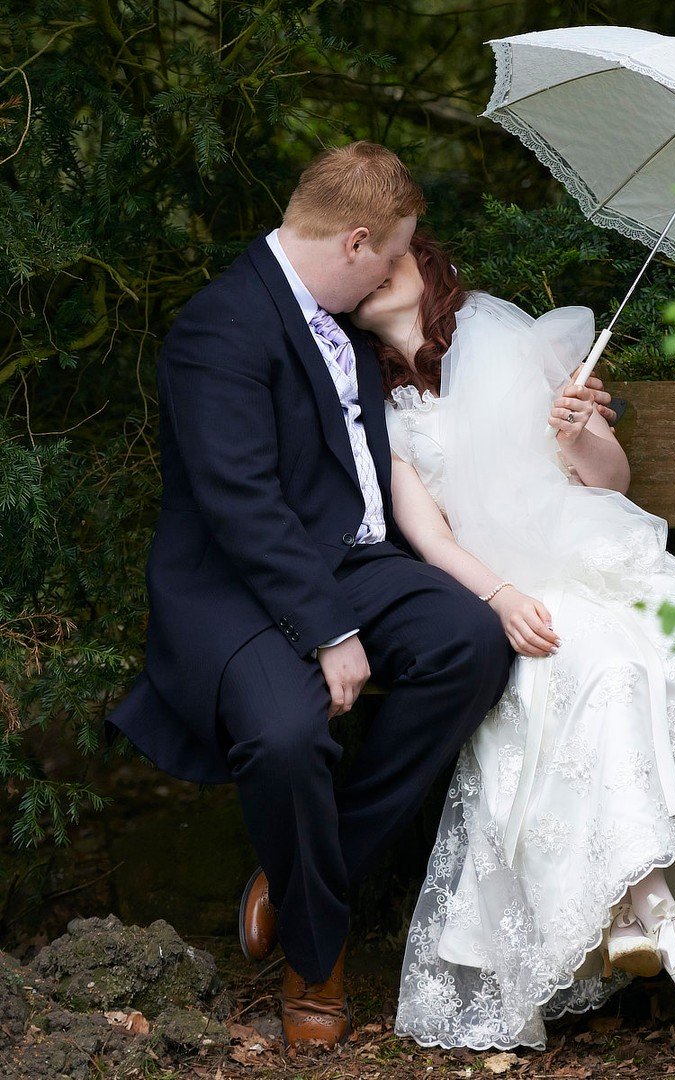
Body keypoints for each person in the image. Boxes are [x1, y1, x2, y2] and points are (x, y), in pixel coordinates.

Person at [103, 145, 514, 1049]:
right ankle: (316, 961)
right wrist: (331, 630)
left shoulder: (340, 321)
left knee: (470, 644)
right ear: (358, 241)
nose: (399, 270)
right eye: (395, 253)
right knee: (286, 736)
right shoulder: (221, 327)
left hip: (357, 561)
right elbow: (240, 504)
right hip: (235, 587)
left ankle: (301, 885)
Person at [351, 235, 675, 1051]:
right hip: (504, 587)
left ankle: (640, 908)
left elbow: (609, 481)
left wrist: (576, 429)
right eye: (369, 262)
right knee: (590, 672)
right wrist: (504, 597)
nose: (383, 268)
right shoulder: (380, 412)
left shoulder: (517, 350)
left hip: (594, 560)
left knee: (672, 666)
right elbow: (428, 537)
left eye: (400, 255)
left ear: (434, 269)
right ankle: (656, 913)